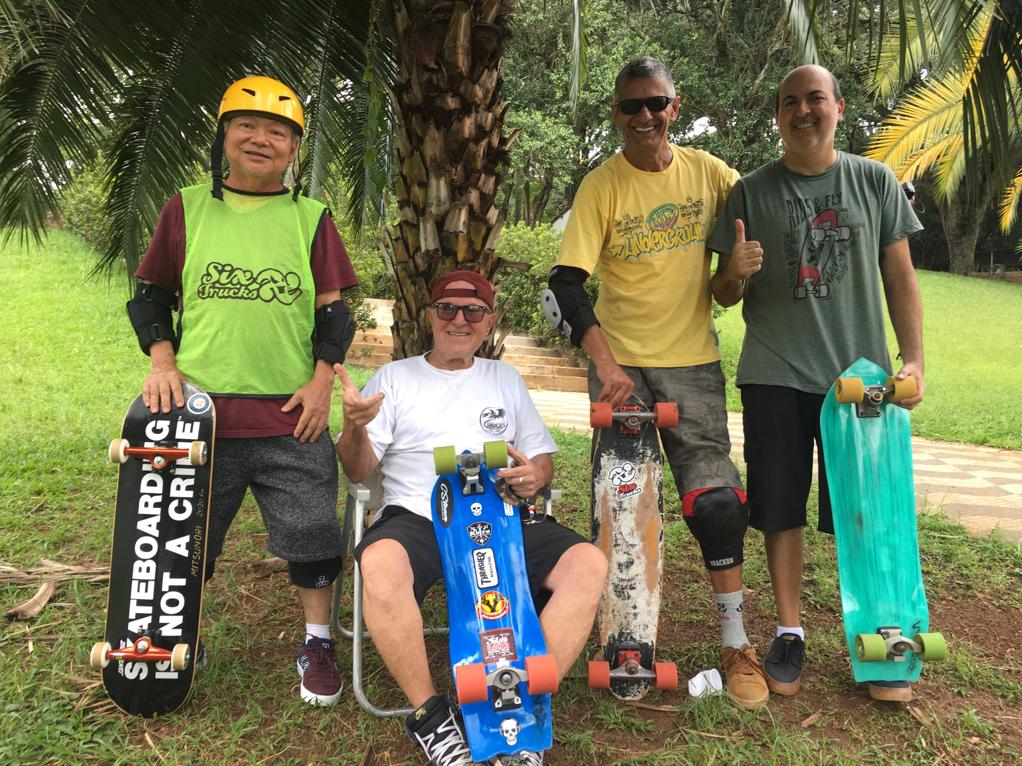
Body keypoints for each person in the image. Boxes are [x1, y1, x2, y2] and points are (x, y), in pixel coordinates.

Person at [544, 56, 768, 710]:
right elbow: (566, 284)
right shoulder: (602, 185)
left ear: (675, 106)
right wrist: (606, 365)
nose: (644, 116)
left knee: (718, 503)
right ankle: (627, 642)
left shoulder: (712, 174)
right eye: (630, 106)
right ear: (616, 115)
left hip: (693, 363)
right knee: (624, 502)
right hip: (622, 370)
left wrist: (737, 271)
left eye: (655, 103)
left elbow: (736, 268)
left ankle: (736, 643)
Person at [128, 75, 359, 706]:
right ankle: (176, 633)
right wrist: (162, 363)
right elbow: (150, 297)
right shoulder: (186, 208)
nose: (261, 139)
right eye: (247, 126)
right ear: (224, 136)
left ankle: (317, 642)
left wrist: (322, 384)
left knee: (313, 531)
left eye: (278, 131)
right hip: (197, 416)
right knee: (186, 539)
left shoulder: (311, 218)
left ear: (294, 149)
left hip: (293, 414)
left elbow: (334, 312)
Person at [707, 64, 924, 703]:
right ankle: (789, 632)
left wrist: (912, 361)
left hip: (860, 381)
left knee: (868, 510)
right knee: (780, 509)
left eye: (815, 99)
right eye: (790, 102)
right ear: (778, 115)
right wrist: (734, 272)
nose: (802, 111)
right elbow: (721, 293)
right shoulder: (749, 192)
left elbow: (901, 277)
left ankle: (884, 637)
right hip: (774, 374)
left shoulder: (875, 181)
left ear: (839, 107)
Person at [336, 271, 607, 766]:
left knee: (587, 563)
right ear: (430, 316)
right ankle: (432, 718)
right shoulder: (395, 379)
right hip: (419, 516)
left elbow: (541, 460)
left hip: (502, 517)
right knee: (379, 563)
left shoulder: (504, 379)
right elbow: (357, 469)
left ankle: (521, 707)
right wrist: (354, 429)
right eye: (447, 308)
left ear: (489, 321)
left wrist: (534, 475)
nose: (459, 320)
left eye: (473, 311)